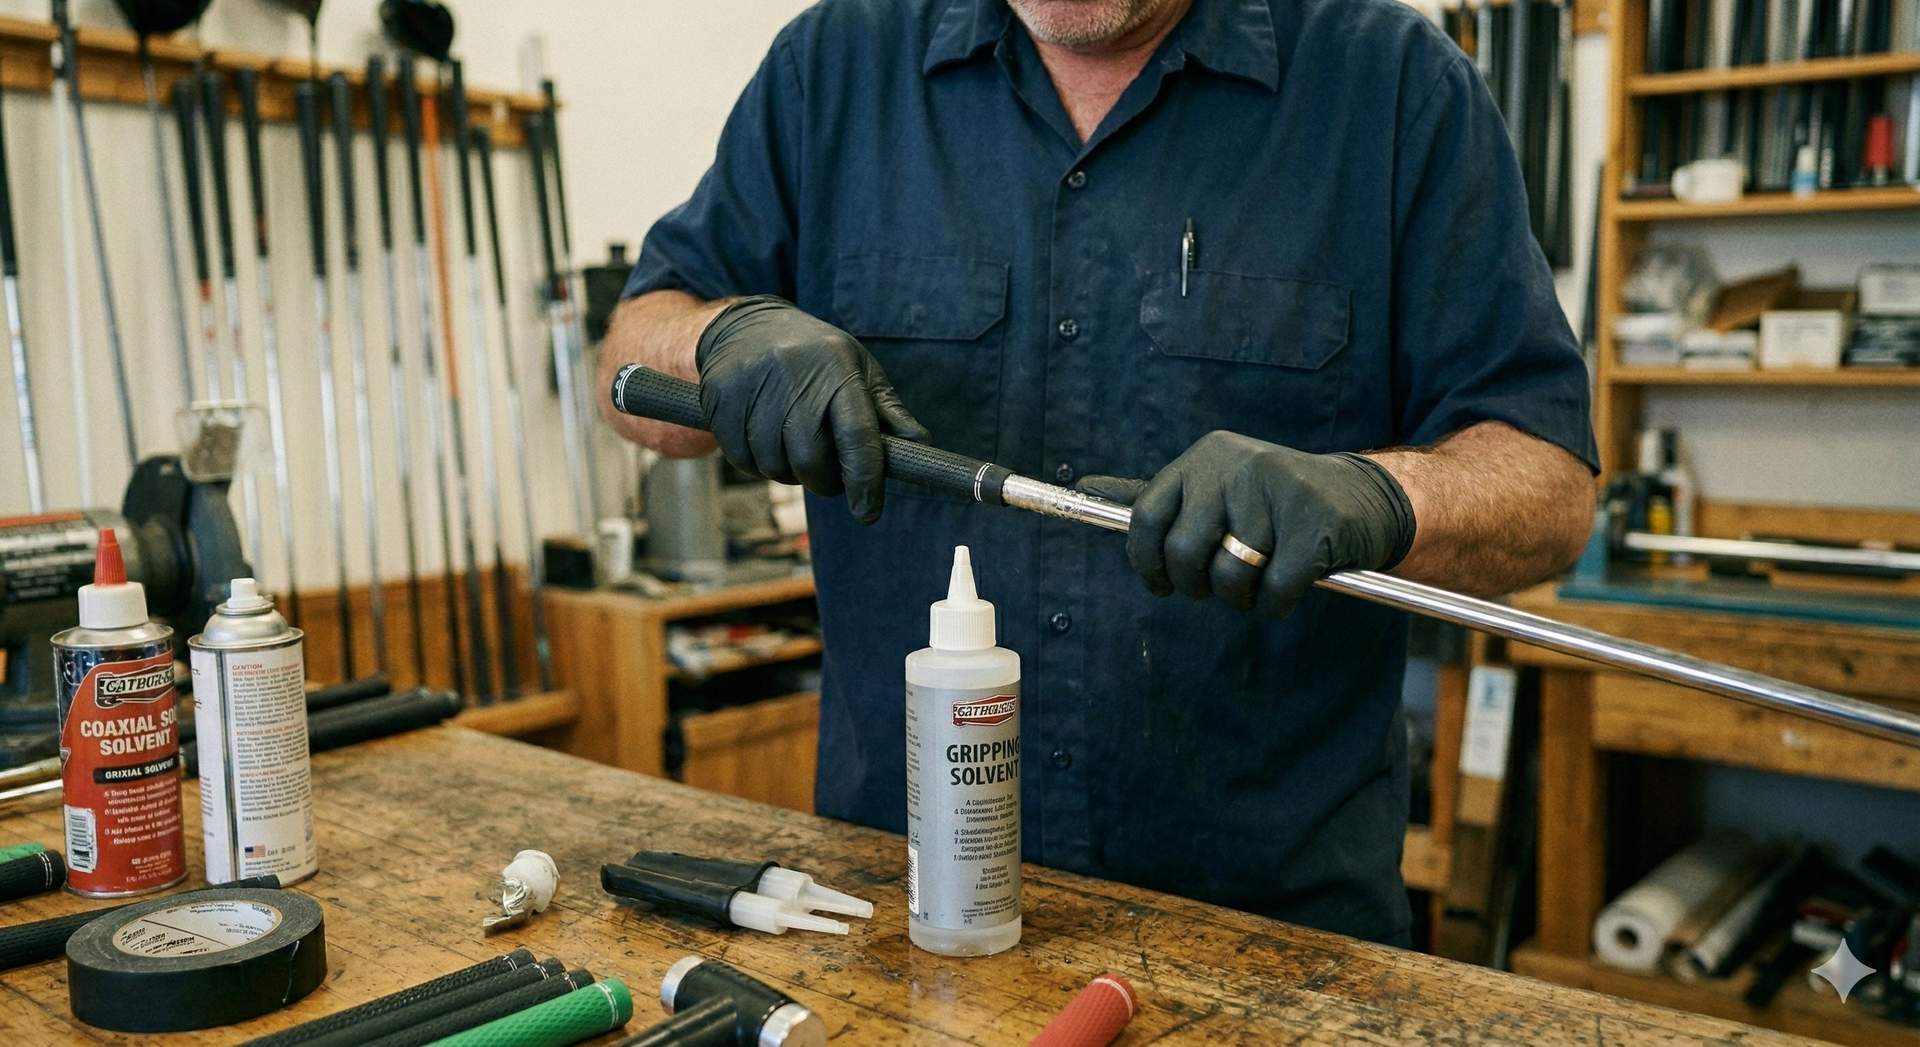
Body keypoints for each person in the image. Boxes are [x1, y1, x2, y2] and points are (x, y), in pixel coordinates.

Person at [599, 0, 1598, 945]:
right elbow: (629, 364)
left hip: (1267, 927)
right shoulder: (832, 69)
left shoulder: (1393, 86)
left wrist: (1381, 497)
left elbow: (1550, 489)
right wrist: (725, 337)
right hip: (901, 899)